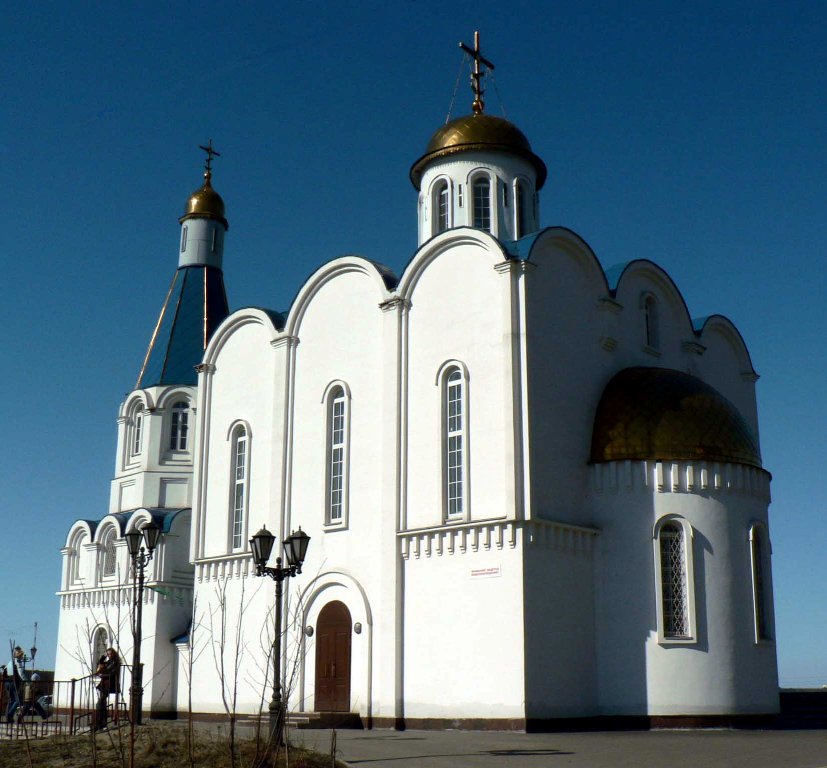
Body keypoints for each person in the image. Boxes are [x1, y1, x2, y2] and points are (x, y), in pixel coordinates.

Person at [94, 647, 121, 731]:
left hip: (109, 683)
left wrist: (103, 675)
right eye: (108, 654)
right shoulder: (109, 661)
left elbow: (113, 673)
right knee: (102, 704)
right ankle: (102, 724)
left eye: (110, 654)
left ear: (113, 653)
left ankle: (100, 723)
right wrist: (103, 656)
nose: (109, 655)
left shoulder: (115, 662)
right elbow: (100, 662)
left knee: (100, 703)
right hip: (104, 683)